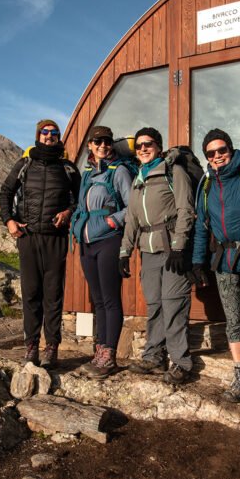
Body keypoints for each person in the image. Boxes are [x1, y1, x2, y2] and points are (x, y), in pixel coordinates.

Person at [190, 129, 240, 402]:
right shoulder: (207, 186)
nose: (218, 156)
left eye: (222, 150)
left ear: (230, 150)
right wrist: (198, 261)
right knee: (232, 321)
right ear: (207, 157)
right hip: (222, 261)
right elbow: (201, 226)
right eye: (211, 153)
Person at [0, 119, 80, 368]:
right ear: (38, 136)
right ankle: (31, 345)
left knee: (53, 296)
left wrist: (67, 213)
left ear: (58, 138)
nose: (49, 136)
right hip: (29, 237)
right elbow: (5, 193)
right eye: (45, 133)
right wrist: (9, 221)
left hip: (56, 239)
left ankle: (51, 347)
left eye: (54, 133)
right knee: (31, 294)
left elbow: (80, 200)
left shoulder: (68, 169)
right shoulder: (25, 164)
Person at [120, 127, 196, 384]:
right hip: (148, 250)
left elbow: (186, 210)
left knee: (173, 303)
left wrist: (178, 246)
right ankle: (154, 356)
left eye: (148, 144)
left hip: (172, 248)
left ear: (159, 146)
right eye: (139, 146)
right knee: (154, 304)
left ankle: (181, 362)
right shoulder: (138, 178)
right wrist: (124, 252)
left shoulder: (174, 172)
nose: (143, 149)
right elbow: (131, 218)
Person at [71, 125, 134, 379]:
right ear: (90, 145)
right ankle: (100, 351)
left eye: (107, 142)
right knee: (97, 300)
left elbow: (132, 207)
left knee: (110, 299)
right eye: (98, 142)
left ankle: (109, 356)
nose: (103, 146)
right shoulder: (87, 174)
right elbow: (80, 204)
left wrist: (112, 222)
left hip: (108, 239)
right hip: (86, 242)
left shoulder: (118, 171)